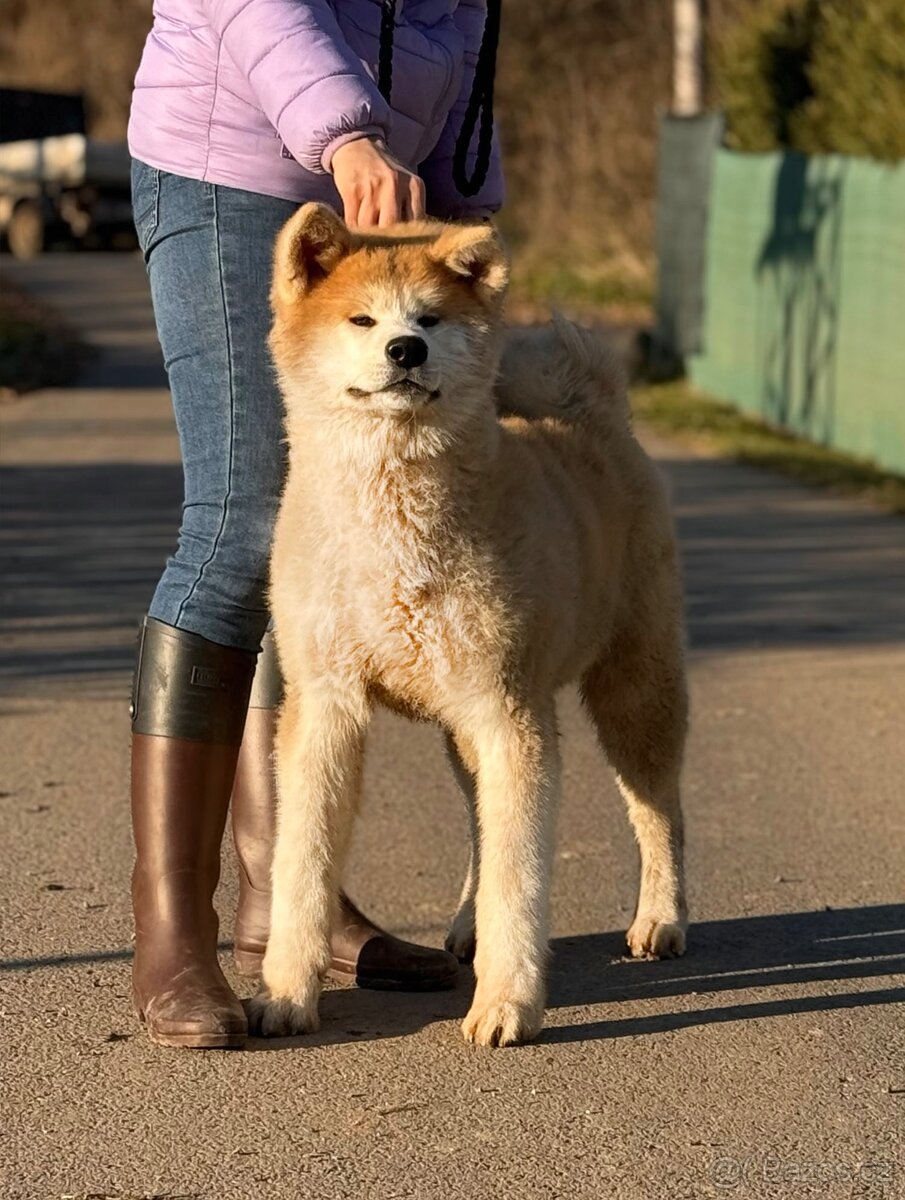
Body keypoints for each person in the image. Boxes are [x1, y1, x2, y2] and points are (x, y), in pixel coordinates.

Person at [127, 0, 504, 1049]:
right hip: (232, 167)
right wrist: (347, 135)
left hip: (379, 186)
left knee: (317, 546)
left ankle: (289, 902)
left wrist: (469, 214)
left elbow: (458, 42)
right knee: (243, 526)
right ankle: (173, 930)